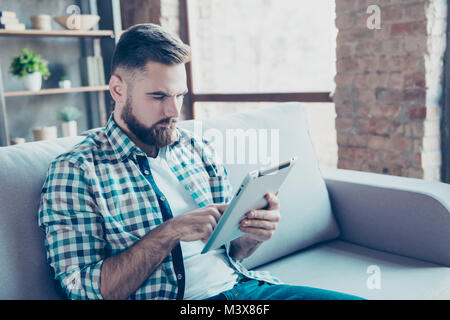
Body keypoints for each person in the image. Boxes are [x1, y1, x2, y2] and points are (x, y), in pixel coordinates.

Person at [38, 23, 363, 300]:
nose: (174, 111)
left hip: (243, 292)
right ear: (117, 89)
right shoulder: (77, 171)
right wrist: (169, 233)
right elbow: (81, 290)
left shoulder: (197, 148)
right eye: (159, 97)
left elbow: (233, 252)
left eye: (179, 96)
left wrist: (251, 235)